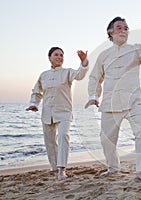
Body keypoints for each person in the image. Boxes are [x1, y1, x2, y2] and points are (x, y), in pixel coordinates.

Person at [85, 17, 141, 183]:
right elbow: (95, 78)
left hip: (133, 101)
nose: (123, 30)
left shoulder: (135, 49)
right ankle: (113, 168)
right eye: (119, 27)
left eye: (126, 28)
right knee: (106, 140)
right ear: (111, 32)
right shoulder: (103, 55)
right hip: (110, 103)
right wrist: (93, 96)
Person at [26, 47, 89, 180]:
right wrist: (34, 104)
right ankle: (54, 167)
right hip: (47, 113)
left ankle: (62, 170)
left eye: (61, 55)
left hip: (64, 112)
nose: (59, 57)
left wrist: (83, 62)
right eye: (56, 55)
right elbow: (37, 92)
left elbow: (80, 74)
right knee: (49, 142)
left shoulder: (67, 72)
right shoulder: (43, 75)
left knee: (63, 136)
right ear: (49, 57)